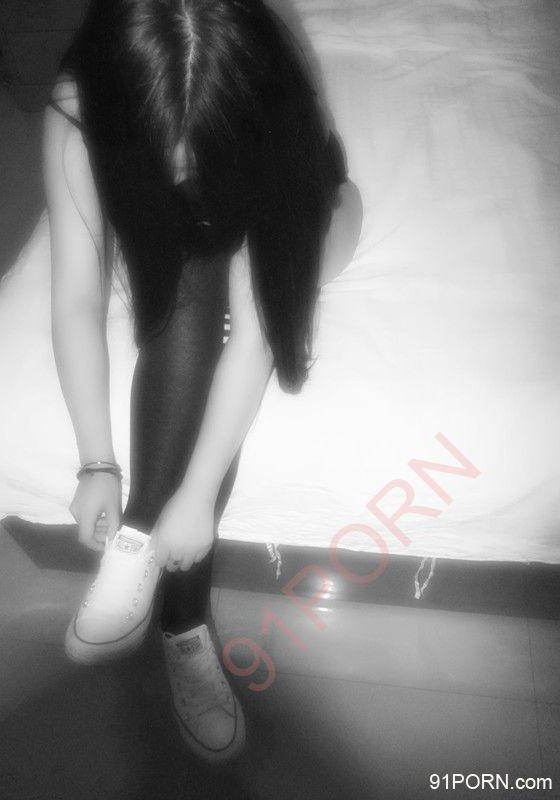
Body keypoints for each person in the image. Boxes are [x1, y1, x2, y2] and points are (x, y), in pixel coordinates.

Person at [43, 0, 362, 764]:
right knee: (188, 284)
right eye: (158, 152)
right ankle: (159, 583)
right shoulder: (81, 104)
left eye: (193, 154)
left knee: (213, 280)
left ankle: (180, 622)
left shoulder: (269, 110)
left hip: (314, 211)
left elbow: (253, 336)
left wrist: (193, 498)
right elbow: (77, 297)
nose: (178, 172)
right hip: (204, 240)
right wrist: (95, 463)